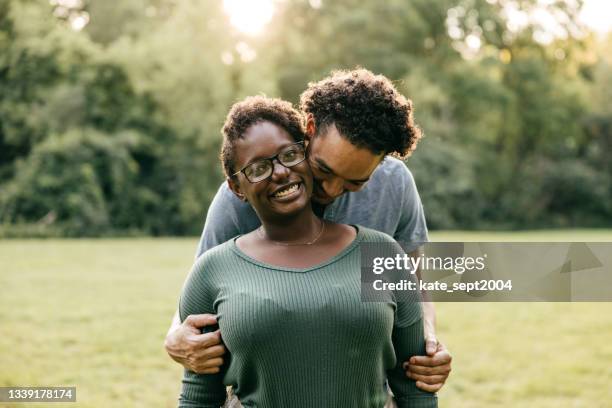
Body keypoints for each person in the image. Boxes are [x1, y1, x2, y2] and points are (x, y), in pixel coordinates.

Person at [165, 69, 452, 397]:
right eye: (324, 170)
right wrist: (176, 335)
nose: (330, 190)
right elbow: (204, 291)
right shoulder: (243, 197)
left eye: (354, 182)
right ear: (311, 128)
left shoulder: (395, 185)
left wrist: (428, 341)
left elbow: (413, 283)